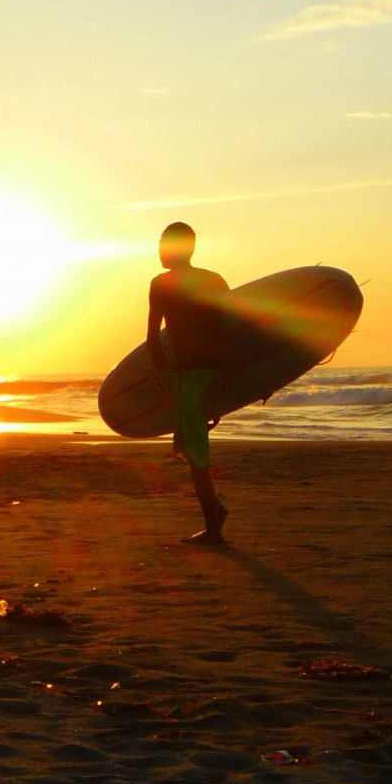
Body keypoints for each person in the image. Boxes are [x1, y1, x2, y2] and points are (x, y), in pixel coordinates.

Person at [147, 221, 231, 544]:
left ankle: (214, 525)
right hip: (217, 373)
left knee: (195, 453)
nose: (158, 250)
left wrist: (158, 367)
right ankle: (215, 511)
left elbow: (154, 336)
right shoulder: (214, 280)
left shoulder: (161, 285)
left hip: (189, 377)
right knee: (194, 445)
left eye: (162, 244)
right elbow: (233, 327)